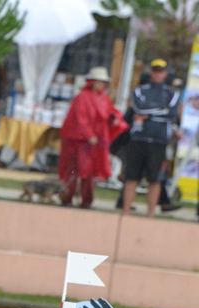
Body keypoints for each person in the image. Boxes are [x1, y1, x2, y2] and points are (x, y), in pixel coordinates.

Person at [121, 59, 181, 218]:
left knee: (155, 178)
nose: (157, 74)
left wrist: (149, 114)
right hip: (139, 138)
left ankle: (150, 214)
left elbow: (172, 113)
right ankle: (126, 212)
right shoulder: (140, 90)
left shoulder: (172, 93)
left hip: (159, 140)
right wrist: (160, 111)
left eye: (160, 71)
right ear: (150, 72)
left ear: (165, 73)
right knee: (132, 176)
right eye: (155, 70)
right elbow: (138, 108)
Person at [57, 67, 124, 208]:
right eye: (99, 82)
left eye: (103, 82)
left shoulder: (103, 98)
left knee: (90, 171)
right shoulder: (82, 97)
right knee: (73, 169)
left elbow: (110, 113)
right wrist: (89, 135)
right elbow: (80, 118)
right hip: (77, 140)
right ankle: (67, 197)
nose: (101, 85)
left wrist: (114, 119)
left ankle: (86, 200)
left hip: (93, 142)